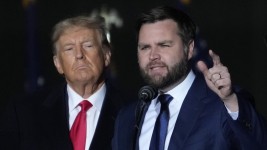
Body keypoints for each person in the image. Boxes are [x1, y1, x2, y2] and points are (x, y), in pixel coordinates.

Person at [112, 6, 267, 150]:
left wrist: (230, 100)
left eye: (164, 45)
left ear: (190, 48)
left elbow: (258, 142)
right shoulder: (127, 118)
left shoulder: (223, 104)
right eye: (145, 47)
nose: (153, 56)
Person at [0, 15, 129, 150]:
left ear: (106, 56)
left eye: (88, 45)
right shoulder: (23, 112)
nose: (79, 55)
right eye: (69, 49)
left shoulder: (134, 112)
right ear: (58, 64)